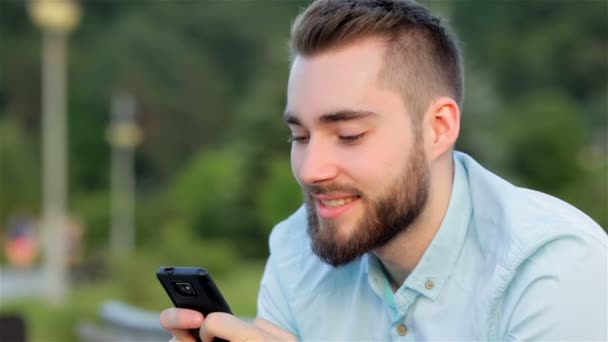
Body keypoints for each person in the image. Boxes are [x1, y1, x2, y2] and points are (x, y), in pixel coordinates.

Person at [161, 0, 608, 340]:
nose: (311, 169)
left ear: (438, 128)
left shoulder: (552, 266)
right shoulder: (298, 249)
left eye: (350, 135)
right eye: (300, 137)